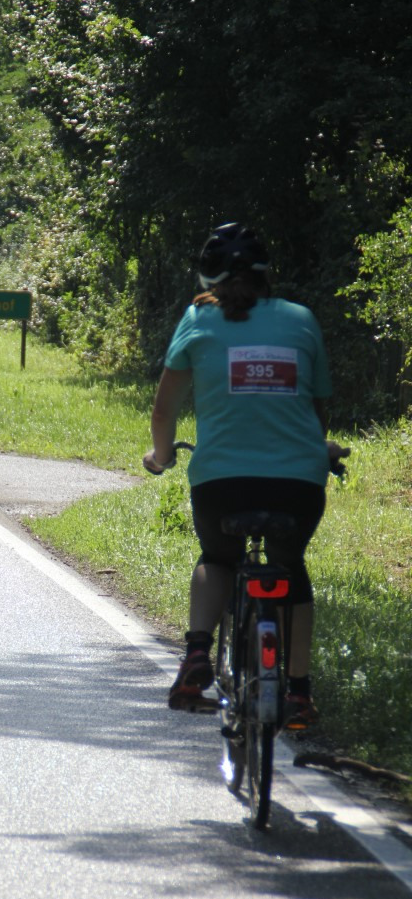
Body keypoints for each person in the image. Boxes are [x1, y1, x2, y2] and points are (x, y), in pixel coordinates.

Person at [143, 223, 349, 728]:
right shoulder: (300, 318)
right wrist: (317, 447)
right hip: (299, 483)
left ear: (206, 277)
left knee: (218, 557)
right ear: (264, 274)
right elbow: (316, 409)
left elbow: (164, 410)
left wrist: (162, 456)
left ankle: (196, 655)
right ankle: (298, 693)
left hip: (221, 483)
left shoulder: (198, 319)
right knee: (290, 567)